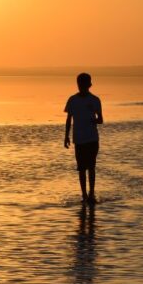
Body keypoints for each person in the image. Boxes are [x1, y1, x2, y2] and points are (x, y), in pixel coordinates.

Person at [64, 73, 104, 204]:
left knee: (91, 167)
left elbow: (101, 120)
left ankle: (91, 194)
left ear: (89, 85)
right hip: (79, 140)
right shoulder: (72, 100)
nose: (81, 86)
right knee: (81, 168)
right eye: (80, 84)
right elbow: (69, 119)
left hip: (92, 139)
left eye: (84, 84)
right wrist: (66, 136)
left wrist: (94, 120)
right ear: (78, 84)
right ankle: (84, 195)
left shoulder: (95, 100)